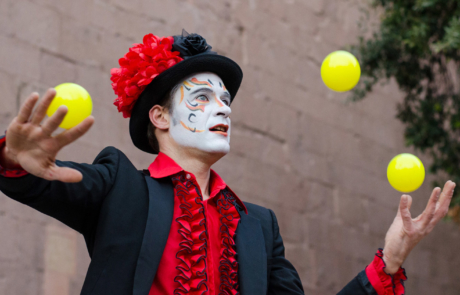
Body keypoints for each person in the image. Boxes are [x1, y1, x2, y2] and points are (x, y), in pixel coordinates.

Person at [0, 30, 455, 295]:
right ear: (159, 117)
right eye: (202, 97)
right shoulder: (118, 183)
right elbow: (47, 181)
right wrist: (16, 161)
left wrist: (390, 261)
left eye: (224, 99)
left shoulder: (257, 225)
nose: (222, 109)